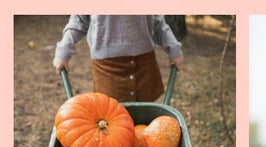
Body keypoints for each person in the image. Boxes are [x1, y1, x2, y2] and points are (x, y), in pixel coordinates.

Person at [53, 15, 183, 103]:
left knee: (144, 118)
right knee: (112, 119)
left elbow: (158, 21)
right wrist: (63, 52)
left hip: (144, 63)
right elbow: (78, 21)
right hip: (107, 68)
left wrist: (174, 49)